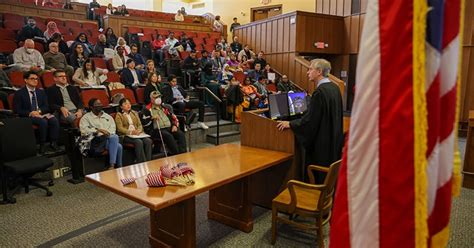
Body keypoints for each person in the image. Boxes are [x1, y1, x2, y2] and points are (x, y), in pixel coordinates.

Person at [276, 59, 343, 183]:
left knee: (318, 177)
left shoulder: (320, 92)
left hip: (321, 146)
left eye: (310, 69)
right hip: (333, 141)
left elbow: (310, 122)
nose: (307, 72)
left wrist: (290, 123)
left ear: (319, 71)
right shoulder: (335, 88)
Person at [13, 71, 59, 154]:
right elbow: (17, 110)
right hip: (28, 116)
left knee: (54, 120)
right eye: (32, 79)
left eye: (36, 79)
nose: (35, 80)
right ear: (26, 80)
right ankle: (42, 145)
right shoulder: (19, 93)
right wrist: (30, 113)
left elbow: (46, 106)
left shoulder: (41, 92)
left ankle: (53, 143)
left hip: (40, 113)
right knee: (43, 122)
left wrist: (39, 111)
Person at [80, 98, 123, 169]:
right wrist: (98, 131)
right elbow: (84, 131)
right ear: (91, 107)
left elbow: (113, 128)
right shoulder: (86, 118)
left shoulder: (107, 117)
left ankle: (113, 166)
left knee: (116, 142)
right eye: (97, 104)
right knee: (118, 145)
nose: (100, 105)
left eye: (100, 104)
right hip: (95, 141)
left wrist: (107, 134)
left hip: (108, 139)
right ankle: (118, 167)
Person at [115, 98, 153, 163]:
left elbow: (140, 125)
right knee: (138, 142)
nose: (128, 105)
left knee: (148, 141)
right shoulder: (119, 115)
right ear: (121, 106)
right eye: (125, 104)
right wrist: (130, 132)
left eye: (129, 103)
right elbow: (120, 128)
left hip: (137, 134)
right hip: (126, 135)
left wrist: (138, 131)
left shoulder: (134, 113)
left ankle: (149, 161)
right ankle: (142, 162)